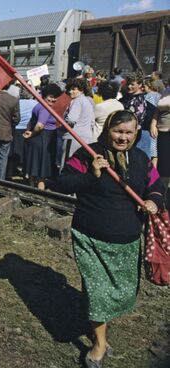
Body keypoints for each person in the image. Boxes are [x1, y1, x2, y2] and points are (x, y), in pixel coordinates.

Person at [56, 110, 165, 368]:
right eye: (118, 131)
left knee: (120, 292)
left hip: (127, 239)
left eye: (128, 132)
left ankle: (99, 331)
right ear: (107, 130)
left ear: (136, 133)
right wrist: (91, 174)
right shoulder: (88, 153)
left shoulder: (141, 159)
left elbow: (158, 186)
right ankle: (100, 344)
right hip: (90, 236)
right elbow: (61, 183)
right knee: (97, 293)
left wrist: (154, 201)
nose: (123, 137)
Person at [23, 84, 63, 189]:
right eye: (50, 96)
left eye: (55, 97)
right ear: (44, 96)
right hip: (43, 138)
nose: (53, 99)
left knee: (33, 167)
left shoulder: (39, 105)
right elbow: (40, 125)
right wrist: (33, 133)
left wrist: (31, 133)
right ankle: (40, 192)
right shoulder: (45, 108)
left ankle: (31, 189)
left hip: (38, 139)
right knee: (42, 171)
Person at [61, 78, 96, 168]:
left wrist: (63, 126)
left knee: (67, 164)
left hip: (73, 137)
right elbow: (92, 122)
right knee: (79, 166)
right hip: (87, 139)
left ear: (81, 89)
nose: (70, 91)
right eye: (69, 89)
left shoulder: (77, 101)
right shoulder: (88, 101)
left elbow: (71, 119)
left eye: (74, 89)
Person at [122, 76, 156, 160]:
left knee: (140, 161)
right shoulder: (128, 97)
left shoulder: (140, 99)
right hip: (132, 133)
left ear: (140, 84)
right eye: (128, 84)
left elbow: (139, 119)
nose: (129, 86)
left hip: (140, 134)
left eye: (132, 84)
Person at [10, 87, 38, 178]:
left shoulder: (16, 102)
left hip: (16, 128)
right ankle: (25, 171)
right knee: (26, 152)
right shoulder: (36, 104)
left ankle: (11, 170)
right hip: (28, 129)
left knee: (14, 151)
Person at [151, 94, 170, 176]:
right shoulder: (166, 92)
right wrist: (153, 124)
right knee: (163, 163)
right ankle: (163, 186)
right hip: (162, 132)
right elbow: (157, 111)